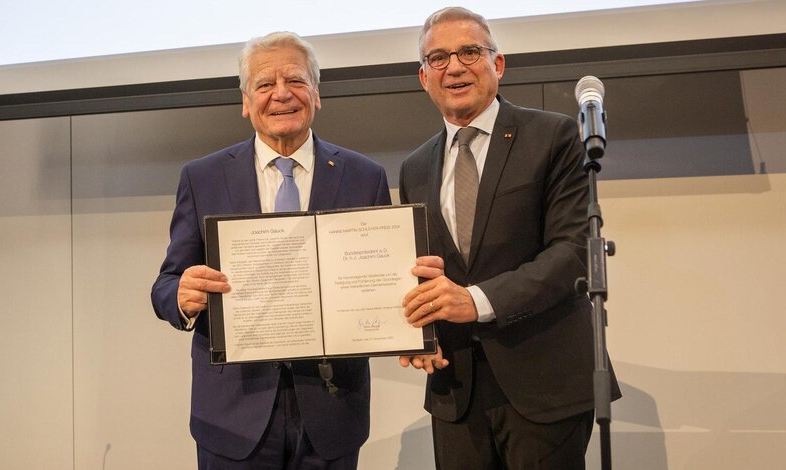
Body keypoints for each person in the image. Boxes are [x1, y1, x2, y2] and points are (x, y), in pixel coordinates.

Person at [151, 32, 390, 469]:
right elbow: (165, 285)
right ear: (246, 101)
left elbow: (381, 283)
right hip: (232, 415)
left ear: (316, 95)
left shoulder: (364, 177)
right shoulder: (202, 177)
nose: (281, 94)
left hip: (331, 410)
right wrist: (181, 298)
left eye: (296, 81)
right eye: (264, 85)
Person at [397, 7, 621, 470]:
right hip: (456, 390)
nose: (454, 66)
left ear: (497, 64)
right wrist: (417, 329)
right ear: (424, 78)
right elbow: (422, 270)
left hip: (544, 387)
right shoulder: (415, 165)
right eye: (438, 58)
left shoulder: (554, 135)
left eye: (469, 52)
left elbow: (573, 251)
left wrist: (475, 301)